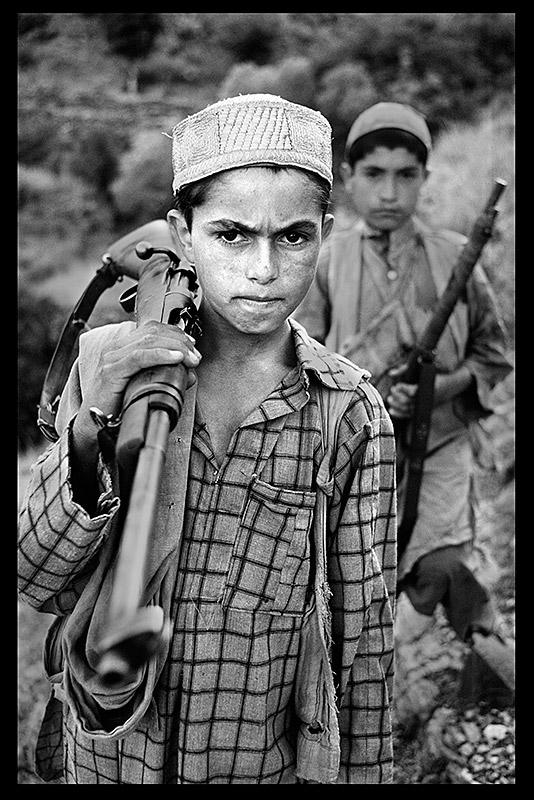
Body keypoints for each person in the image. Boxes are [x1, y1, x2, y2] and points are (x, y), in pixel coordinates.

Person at [18, 94, 397, 785]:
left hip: (260, 765)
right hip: (113, 760)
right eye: (231, 235)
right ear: (182, 232)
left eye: (292, 236)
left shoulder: (349, 413)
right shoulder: (111, 365)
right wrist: (91, 427)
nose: (262, 269)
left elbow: (365, 642)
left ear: (327, 232)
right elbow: (33, 573)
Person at [293, 102, 513, 688]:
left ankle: (425, 659)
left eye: (406, 175)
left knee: (438, 564)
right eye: (374, 175)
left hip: (439, 446)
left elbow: (493, 354)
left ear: (425, 180)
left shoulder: (453, 258)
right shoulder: (327, 259)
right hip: (351, 455)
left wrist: (440, 390)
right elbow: (300, 357)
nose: (389, 192)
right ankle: (363, 687)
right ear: (348, 178)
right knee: (355, 578)